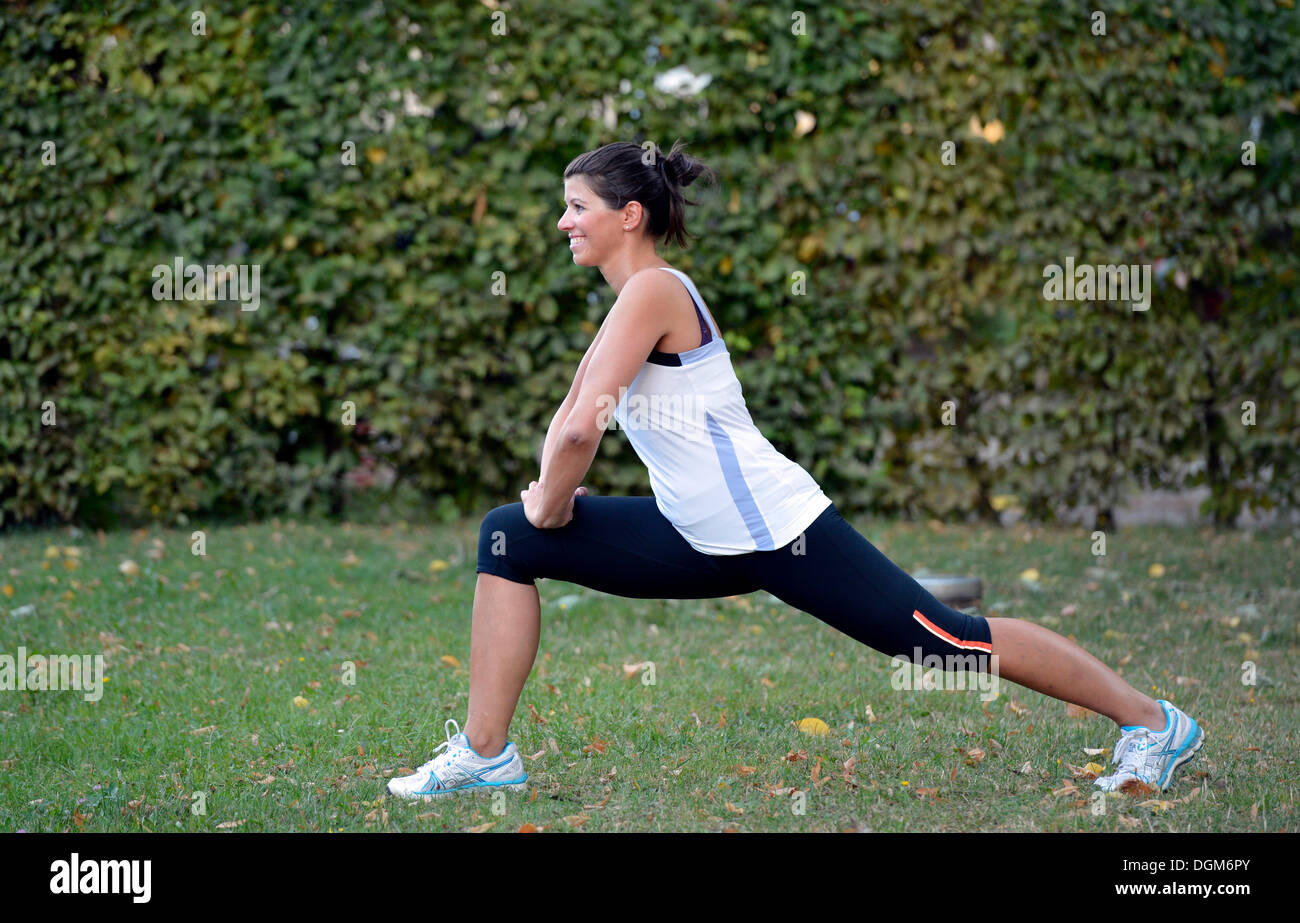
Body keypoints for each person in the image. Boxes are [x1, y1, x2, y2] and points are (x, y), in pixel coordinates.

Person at [386, 140, 1204, 801]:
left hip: (776, 531)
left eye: (576, 207)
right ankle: (487, 754)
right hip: (695, 533)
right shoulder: (628, 300)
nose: (562, 222)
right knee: (507, 538)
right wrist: (542, 506)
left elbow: (575, 437)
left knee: (944, 643)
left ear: (628, 215)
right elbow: (569, 422)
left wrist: (554, 502)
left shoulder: (653, 291)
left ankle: (1153, 721)